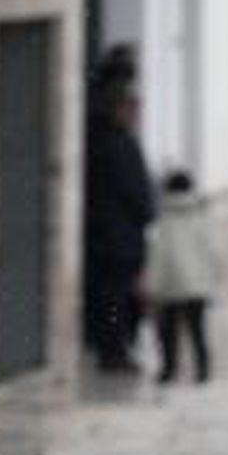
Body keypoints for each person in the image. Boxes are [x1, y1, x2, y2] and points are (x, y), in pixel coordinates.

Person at [83, 74, 155, 375]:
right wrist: (146, 210)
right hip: (117, 239)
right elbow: (133, 190)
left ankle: (113, 347)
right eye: (132, 106)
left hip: (114, 236)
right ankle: (113, 350)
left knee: (115, 297)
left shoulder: (107, 141)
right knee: (115, 298)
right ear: (120, 108)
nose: (136, 113)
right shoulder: (117, 144)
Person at [146, 171, 218, 385]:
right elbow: (213, 251)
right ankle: (203, 369)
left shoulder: (164, 219)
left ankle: (169, 370)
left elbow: (158, 255)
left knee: (169, 332)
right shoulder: (202, 216)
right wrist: (210, 277)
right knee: (198, 330)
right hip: (198, 286)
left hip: (171, 287)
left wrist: (152, 285)